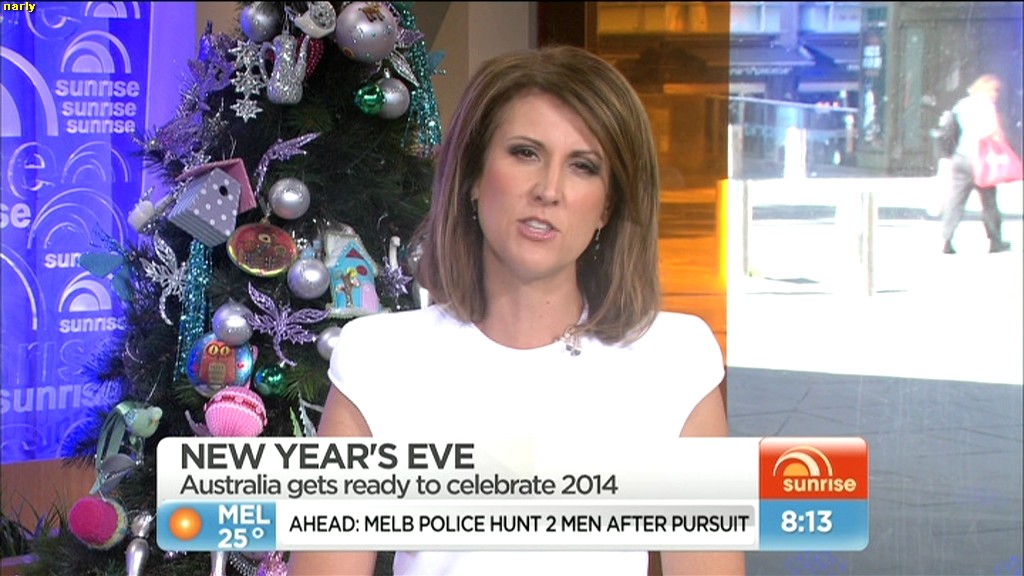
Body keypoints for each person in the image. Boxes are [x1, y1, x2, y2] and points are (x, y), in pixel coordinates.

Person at [288, 45, 743, 576]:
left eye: (583, 166)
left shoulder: (675, 359)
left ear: (608, 207)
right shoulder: (379, 359)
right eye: (526, 153)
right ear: (473, 178)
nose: (548, 190)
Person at [941, 74, 1012, 254]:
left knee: (956, 200)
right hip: (981, 160)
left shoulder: (962, 104)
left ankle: (947, 239)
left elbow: (950, 128)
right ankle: (995, 241)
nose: (996, 94)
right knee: (989, 201)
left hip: (961, 158)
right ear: (987, 89)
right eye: (994, 90)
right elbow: (990, 130)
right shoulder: (986, 105)